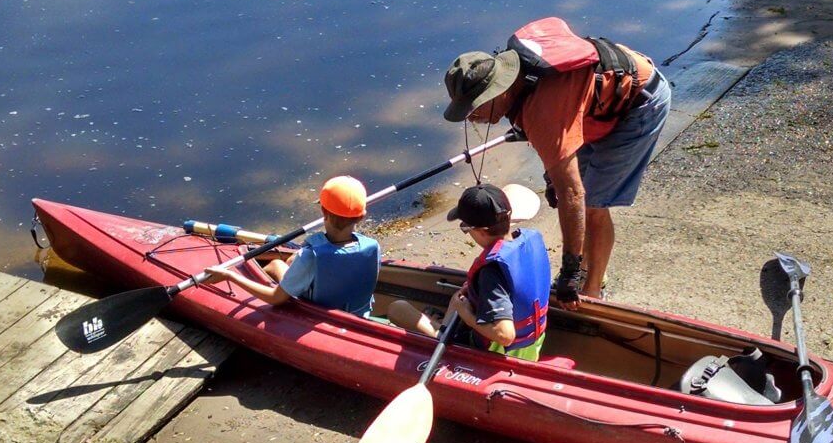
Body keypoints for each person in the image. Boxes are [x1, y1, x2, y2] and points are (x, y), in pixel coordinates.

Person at [442, 19, 671, 310]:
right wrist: (553, 176)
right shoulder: (522, 82)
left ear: (499, 91)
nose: (470, 117)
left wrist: (568, 273)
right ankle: (586, 271)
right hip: (592, 106)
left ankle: (590, 290)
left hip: (639, 103)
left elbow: (573, 194)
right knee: (573, 190)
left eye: (474, 108)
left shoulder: (544, 115)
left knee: (593, 204)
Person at [387, 183, 550, 361]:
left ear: (480, 231)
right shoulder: (530, 240)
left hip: (494, 353)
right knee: (458, 298)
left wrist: (465, 312)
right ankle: (443, 325)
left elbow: (505, 335)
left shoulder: (491, 272)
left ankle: (439, 332)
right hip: (531, 347)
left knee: (397, 308)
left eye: (466, 228)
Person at [204, 175, 380, 317]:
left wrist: (230, 275)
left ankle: (256, 282)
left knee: (275, 265)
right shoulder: (372, 246)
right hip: (358, 315)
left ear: (323, 212)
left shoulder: (311, 255)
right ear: (361, 216)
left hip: (322, 316)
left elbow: (276, 299)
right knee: (288, 262)